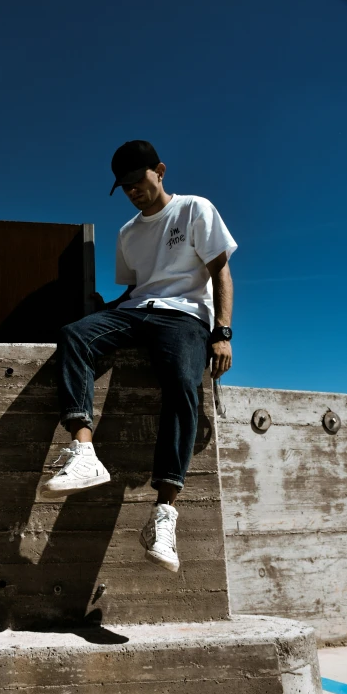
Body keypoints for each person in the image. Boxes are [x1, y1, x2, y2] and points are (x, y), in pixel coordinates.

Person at [41, 140, 237, 572]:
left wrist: (222, 332)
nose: (133, 191)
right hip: (137, 311)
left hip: (185, 316)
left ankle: (163, 515)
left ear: (160, 171)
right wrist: (102, 311)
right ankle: (83, 451)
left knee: (184, 383)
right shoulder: (128, 233)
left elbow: (220, 269)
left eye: (138, 181)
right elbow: (134, 290)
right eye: (124, 187)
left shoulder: (194, 209)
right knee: (74, 335)